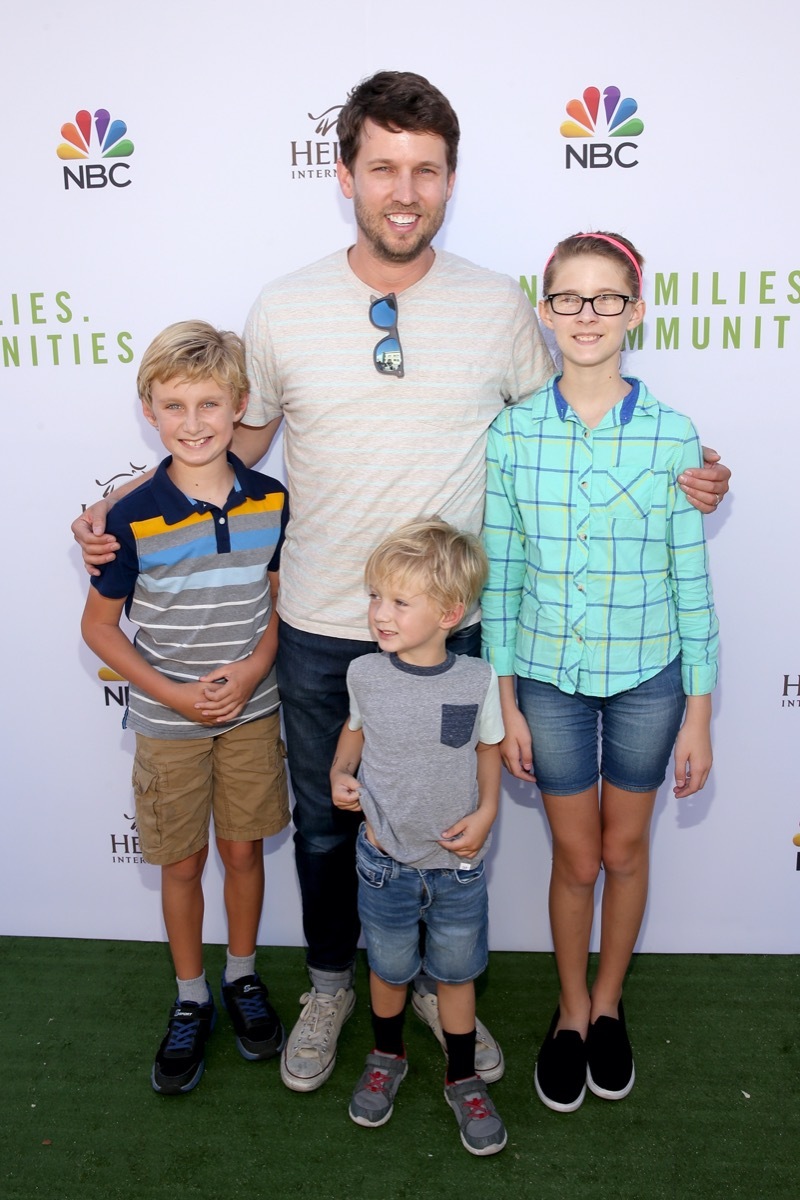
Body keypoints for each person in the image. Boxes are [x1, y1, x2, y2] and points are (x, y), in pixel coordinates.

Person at [72, 72, 731, 1093]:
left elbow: (567, 430)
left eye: (425, 169)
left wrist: (689, 470)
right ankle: (335, 983)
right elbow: (229, 448)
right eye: (382, 166)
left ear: (449, 180)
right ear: (345, 176)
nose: (403, 188)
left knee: (434, 825)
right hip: (316, 627)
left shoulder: (501, 310)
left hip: (453, 637)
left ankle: (430, 981)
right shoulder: (283, 308)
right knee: (329, 824)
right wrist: (119, 509)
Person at [481, 232, 719, 1113]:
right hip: (545, 680)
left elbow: (691, 584)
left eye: (607, 299)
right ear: (544, 312)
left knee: (626, 848)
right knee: (576, 859)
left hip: (653, 681)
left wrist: (699, 711)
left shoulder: (673, 436)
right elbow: (499, 578)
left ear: (637, 309)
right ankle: (571, 1012)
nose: (589, 316)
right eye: (570, 300)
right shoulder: (511, 433)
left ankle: (610, 1001)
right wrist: (501, 704)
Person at [81, 321, 290, 1094]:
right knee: (183, 862)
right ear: (149, 409)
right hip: (168, 726)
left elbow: (274, 605)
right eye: (175, 406)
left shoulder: (272, 500)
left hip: (253, 712)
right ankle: (190, 995)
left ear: (240, 406)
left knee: (241, 852)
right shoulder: (130, 518)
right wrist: (171, 693)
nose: (194, 423)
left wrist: (254, 669)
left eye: (210, 404)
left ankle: (240, 976)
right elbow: (99, 629)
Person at [331, 518, 507, 1156]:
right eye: (376, 597)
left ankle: (462, 1078)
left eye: (400, 602)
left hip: (456, 868)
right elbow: (354, 732)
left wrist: (488, 810)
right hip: (383, 862)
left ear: (449, 612)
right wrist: (339, 771)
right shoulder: (364, 675)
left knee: (456, 976)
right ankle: (387, 1055)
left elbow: (488, 748)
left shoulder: (477, 680)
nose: (381, 613)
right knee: (389, 967)